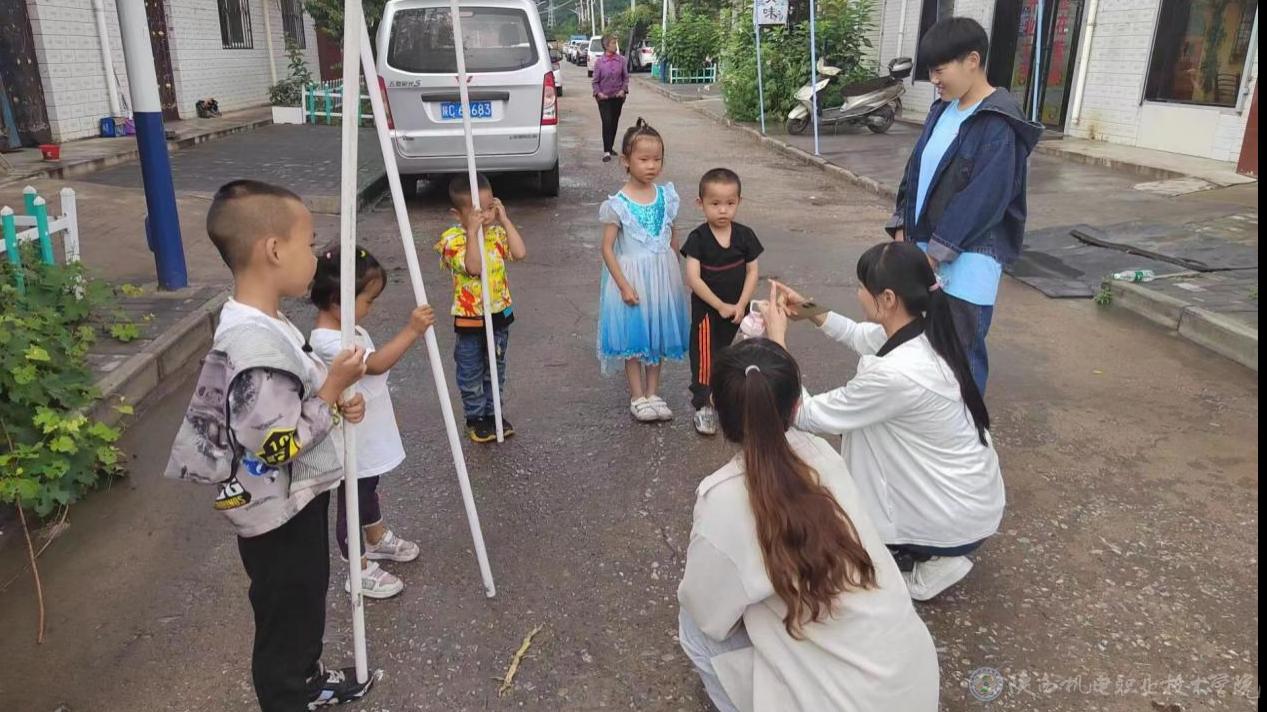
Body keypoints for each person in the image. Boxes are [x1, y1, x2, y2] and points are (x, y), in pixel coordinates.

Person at [677, 338, 939, 712]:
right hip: (913, 685)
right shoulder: (822, 454)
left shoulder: (722, 496)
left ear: (716, 405)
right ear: (796, 406)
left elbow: (706, 612)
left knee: (693, 623)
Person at [193, 180, 376, 708]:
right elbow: (273, 447)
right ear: (274, 250)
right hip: (275, 512)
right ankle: (287, 696)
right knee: (286, 614)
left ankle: (307, 679)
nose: (316, 257)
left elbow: (291, 405)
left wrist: (332, 403)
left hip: (291, 499)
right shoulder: (252, 344)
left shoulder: (264, 319)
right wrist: (333, 392)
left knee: (304, 598)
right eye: (309, 243)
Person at [766, 241, 1005, 601]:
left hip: (955, 516)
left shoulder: (899, 374)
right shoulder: (923, 329)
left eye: (862, 287)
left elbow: (806, 414)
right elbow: (857, 334)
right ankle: (921, 544)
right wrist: (808, 309)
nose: (858, 294)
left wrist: (776, 340)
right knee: (865, 436)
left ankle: (936, 558)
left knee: (840, 538)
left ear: (889, 299)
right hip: (970, 498)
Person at [887, 17, 1043, 394]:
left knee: (959, 361)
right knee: (923, 357)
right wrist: (901, 227)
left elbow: (983, 200)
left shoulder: (998, 122)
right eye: (930, 71)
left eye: (939, 70)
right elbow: (915, 171)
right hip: (924, 253)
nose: (933, 80)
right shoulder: (942, 110)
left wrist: (934, 254)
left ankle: (969, 429)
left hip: (967, 263)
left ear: (972, 61)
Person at [309, 246, 436, 599]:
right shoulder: (329, 342)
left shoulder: (348, 329)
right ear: (338, 300)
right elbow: (376, 363)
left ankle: (376, 537)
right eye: (368, 300)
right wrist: (412, 330)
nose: (372, 307)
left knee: (368, 486)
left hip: (366, 430)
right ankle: (358, 568)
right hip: (351, 438)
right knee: (352, 497)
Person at [597, 118, 691, 422]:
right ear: (626, 161)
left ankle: (653, 392)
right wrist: (623, 285)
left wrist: (675, 271)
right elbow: (607, 248)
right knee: (634, 339)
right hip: (633, 279)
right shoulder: (618, 204)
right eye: (644, 159)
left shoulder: (666, 197)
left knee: (658, 335)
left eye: (657, 159)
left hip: (662, 278)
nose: (652, 166)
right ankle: (637, 396)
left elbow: (672, 235)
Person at [436, 174, 528, 443]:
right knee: (471, 369)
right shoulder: (453, 240)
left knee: (495, 367)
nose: (484, 216)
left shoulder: (497, 234)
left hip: (499, 314)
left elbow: (520, 253)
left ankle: (493, 412)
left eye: (489, 209)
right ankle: (475, 417)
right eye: (477, 212)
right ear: (458, 214)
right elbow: (474, 267)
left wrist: (504, 220)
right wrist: (472, 233)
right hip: (470, 319)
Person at [681, 168, 763, 436]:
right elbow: (693, 278)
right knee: (705, 358)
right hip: (708, 314)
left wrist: (741, 304)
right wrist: (719, 305)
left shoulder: (745, 235)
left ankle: (736, 403)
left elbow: (752, 271)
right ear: (700, 203)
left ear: (739, 201)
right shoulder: (698, 239)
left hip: (739, 312)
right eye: (715, 203)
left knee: (739, 357)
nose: (723, 210)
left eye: (730, 203)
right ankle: (704, 405)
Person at [592, 34, 629, 163]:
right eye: (613, 43)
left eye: (615, 43)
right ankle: (606, 151)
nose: (615, 46)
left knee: (614, 123)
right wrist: (598, 93)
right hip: (604, 98)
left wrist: (623, 90)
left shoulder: (621, 60)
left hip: (617, 97)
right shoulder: (599, 62)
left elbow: (625, 78)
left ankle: (610, 146)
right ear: (606, 46)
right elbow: (595, 81)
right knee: (606, 122)